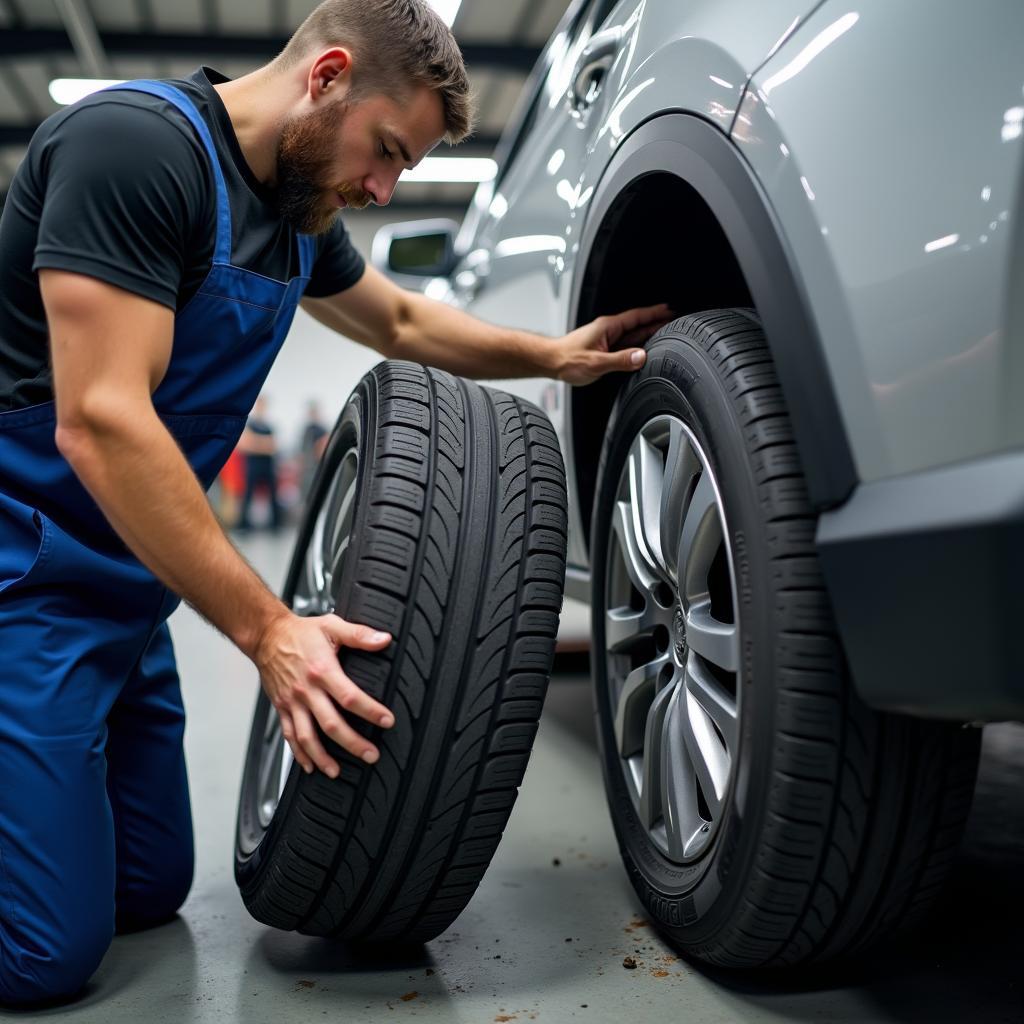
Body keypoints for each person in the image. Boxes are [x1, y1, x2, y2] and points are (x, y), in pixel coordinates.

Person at [0, 0, 673, 1005]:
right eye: (389, 150)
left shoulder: (295, 215)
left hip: (132, 594)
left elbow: (400, 319)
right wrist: (271, 631)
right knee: (44, 958)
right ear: (327, 76)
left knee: (148, 890)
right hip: (28, 574)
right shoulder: (134, 152)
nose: (383, 186)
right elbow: (100, 422)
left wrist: (554, 357)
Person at [235, 395, 283, 531]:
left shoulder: (269, 426)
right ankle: (243, 523)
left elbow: (273, 446)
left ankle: (275, 524)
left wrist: (256, 442)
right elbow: (244, 445)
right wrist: (264, 444)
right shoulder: (250, 424)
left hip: (267, 465)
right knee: (248, 494)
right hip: (253, 465)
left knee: (274, 494)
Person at [299, 398, 330, 499]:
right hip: (307, 469)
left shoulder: (322, 430)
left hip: (317, 467)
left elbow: (323, 447)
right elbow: (302, 451)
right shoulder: (307, 429)